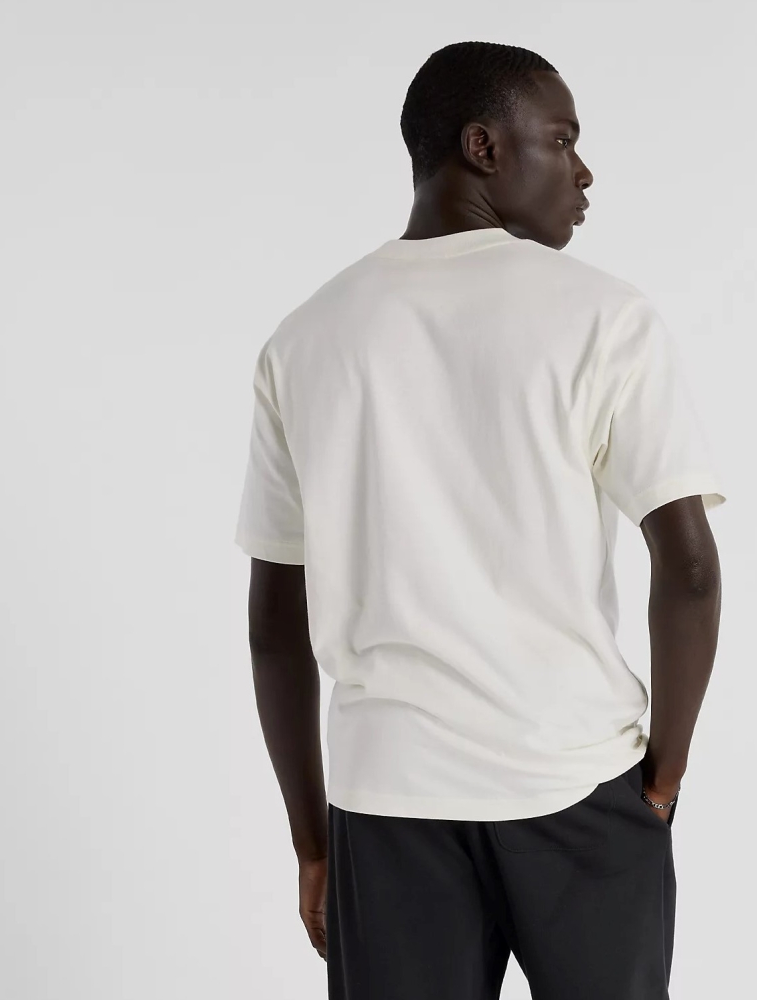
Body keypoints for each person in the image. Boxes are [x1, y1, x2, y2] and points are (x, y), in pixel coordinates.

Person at [234, 39, 726, 1000]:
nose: (584, 172)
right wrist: (662, 781)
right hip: (576, 785)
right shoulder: (604, 318)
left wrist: (313, 840)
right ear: (483, 147)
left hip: (387, 798)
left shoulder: (304, 341)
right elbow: (692, 570)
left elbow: (272, 623)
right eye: (563, 139)